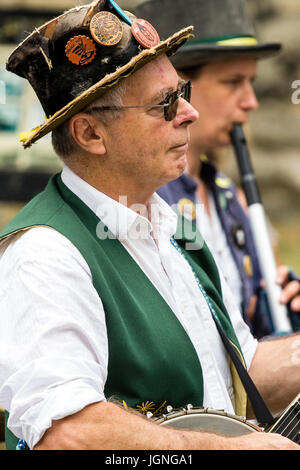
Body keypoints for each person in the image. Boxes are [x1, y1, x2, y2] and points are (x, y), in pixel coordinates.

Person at [0, 0, 299, 451]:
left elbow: (241, 369)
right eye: (165, 103)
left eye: (183, 93)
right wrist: (232, 447)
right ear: (90, 135)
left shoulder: (172, 224)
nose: (188, 114)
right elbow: (66, 432)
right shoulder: (45, 254)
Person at [134, 0, 300, 339]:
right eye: (232, 82)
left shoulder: (231, 197)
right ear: (176, 86)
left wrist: (282, 305)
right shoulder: (139, 200)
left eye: (251, 82)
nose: (250, 101)